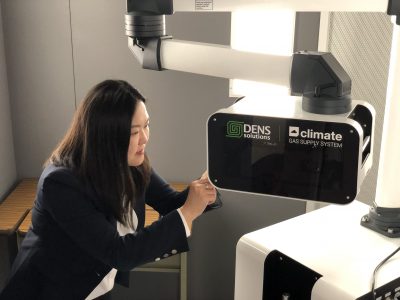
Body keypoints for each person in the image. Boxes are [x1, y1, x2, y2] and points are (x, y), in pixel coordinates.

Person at [0, 79, 217, 300]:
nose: (145, 138)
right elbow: (118, 252)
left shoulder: (132, 163)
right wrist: (188, 212)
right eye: (134, 132)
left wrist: (213, 180)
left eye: (147, 125)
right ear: (106, 135)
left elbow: (171, 203)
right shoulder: (60, 183)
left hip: (94, 287)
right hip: (49, 292)